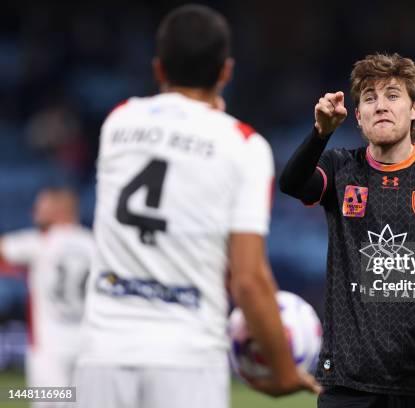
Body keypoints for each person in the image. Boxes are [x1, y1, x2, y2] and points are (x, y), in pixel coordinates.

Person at [75, 4, 318, 408]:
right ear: (225, 71)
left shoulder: (118, 122)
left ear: (158, 69)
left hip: (102, 353)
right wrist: (283, 369)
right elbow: (247, 278)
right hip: (186, 356)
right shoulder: (242, 145)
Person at [280, 53, 415, 407]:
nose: (380, 105)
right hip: (345, 377)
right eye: (369, 98)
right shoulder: (339, 167)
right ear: (358, 116)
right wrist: (319, 134)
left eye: (392, 95)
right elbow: (292, 184)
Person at [0, 188, 94, 408]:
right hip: (86, 346)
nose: (34, 212)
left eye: (41, 206)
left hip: (49, 348)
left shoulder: (42, 242)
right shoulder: (93, 243)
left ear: (59, 211)